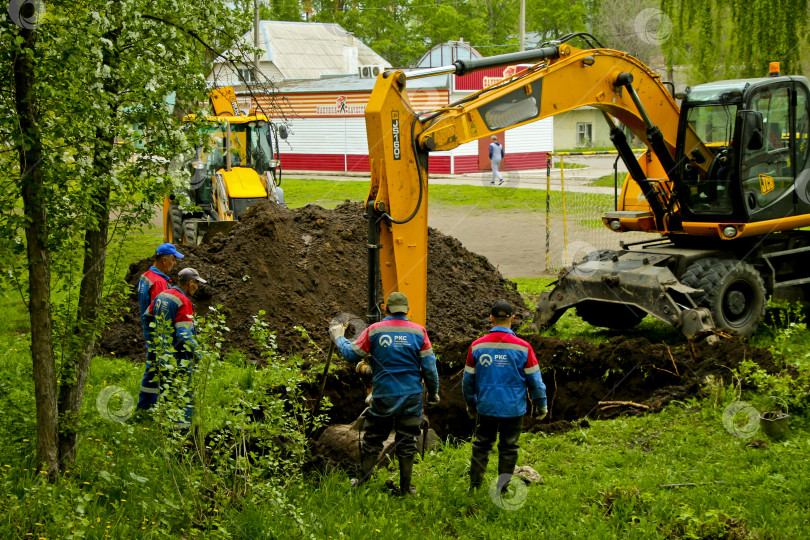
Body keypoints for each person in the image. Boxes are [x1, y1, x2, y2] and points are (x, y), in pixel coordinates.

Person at [329, 292, 440, 495]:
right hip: (411, 396)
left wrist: (338, 337)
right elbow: (430, 368)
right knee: (407, 442)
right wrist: (433, 393)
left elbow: (351, 354)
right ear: (407, 311)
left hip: (383, 395)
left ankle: (363, 484)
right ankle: (406, 489)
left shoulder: (375, 330)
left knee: (373, 440)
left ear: (385, 309)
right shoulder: (419, 332)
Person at [463, 300, 547, 492]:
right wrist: (541, 403)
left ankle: (474, 487)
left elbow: (468, 381)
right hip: (513, 408)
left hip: (486, 407)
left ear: (491, 318)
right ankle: (502, 488)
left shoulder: (477, 346)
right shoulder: (524, 347)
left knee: (482, 445)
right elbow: (535, 380)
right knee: (509, 447)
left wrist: (470, 404)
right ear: (513, 319)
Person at [148, 267, 207, 429]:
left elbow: (148, 315)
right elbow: (183, 335)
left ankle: (166, 428)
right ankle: (182, 433)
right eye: (196, 283)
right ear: (189, 283)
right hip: (178, 358)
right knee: (184, 395)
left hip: (161, 354)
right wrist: (199, 354)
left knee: (166, 393)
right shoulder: (183, 301)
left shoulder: (162, 295)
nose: (197, 287)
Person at [136, 243, 184, 410]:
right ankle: (158, 408)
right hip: (159, 333)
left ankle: (147, 407)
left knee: (153, 370)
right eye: (173, 260)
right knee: (162, 370)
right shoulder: (158, 283)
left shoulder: (145, 276)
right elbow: (161, 311)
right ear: (164, 260)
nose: (175, 264)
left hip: (149, 330)